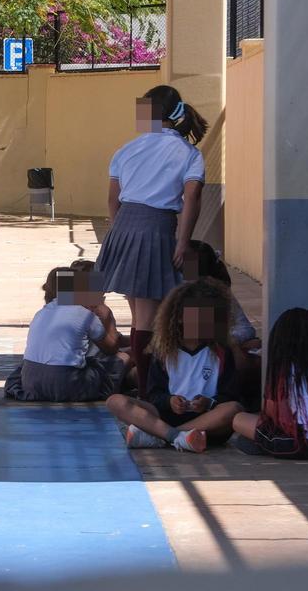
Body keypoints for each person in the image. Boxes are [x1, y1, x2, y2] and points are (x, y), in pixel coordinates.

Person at [95, 85, 208, 398]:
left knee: (141, 314)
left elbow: (112, 200)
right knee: (150, 317)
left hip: (123, 227)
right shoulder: (189, 154)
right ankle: (148, 392)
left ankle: (150, 385)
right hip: (155, 229)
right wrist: (182, 242)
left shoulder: (126, 150)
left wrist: (121, 234)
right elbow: (192, 197)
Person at [105, 278, 243, 453]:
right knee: (115, 401)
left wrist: (208, 403)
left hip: (208, 422)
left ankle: (165, 436)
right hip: (166, 417)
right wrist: (170, 401)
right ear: (179, 318)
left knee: (233, 409)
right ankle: (176, 437)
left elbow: (230, 396)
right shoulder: (164, 352)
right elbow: (153, 395)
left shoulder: (221, 352)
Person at [4, 265, 128, 402]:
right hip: (67, 385)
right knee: (123, 358)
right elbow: (111, 349)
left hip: (31, 383)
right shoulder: (86, 315)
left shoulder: (41, 313)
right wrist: (108, 319)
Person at [233, 308, 308, 459]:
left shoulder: (285, 371)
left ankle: (260, 444)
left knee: (239, 419)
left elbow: (275, 414)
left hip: (300, 443)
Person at [182, 239, 261, 404]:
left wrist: (227, 339)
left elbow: (246, 329)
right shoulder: (178, 295)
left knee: (254, 352)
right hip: (187, 355)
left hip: (218, 351)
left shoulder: (221, 293)